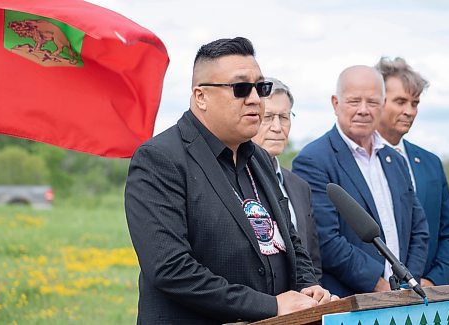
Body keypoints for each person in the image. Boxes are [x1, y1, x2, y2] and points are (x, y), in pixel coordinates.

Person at [124, 37, 335, 325]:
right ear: (201, 96)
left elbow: (291, 242)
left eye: (261, 88)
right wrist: (268, 306)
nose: (255, 99)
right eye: (240, 88)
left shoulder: (258, 158)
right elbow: (170, 268)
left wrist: (307, 288)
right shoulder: (160, 159)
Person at [292, 65, 429, 298]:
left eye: (373, 102)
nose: (363, 110)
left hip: (404, 298)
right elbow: (325, 239)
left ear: (383, 104)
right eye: (354, 101)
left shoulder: (395, 159)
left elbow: (418, 228)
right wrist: (379, 285)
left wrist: (408, 280)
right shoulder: (314, 160)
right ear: (336, 103)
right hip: (351, 301)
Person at [375, 57, 449, 286]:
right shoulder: (356, 162)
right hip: (373, 295)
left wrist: (433, 281)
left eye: (415, 103)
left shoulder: (431, 163)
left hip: (427, 296)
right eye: (400, 101)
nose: (409, 111)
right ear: (378, 101)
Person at [252, 77, 323, 282]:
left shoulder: (299, 187)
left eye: (284, 117)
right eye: (268, 117)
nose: (277, 127)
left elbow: (313, 261)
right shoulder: (233, 180)